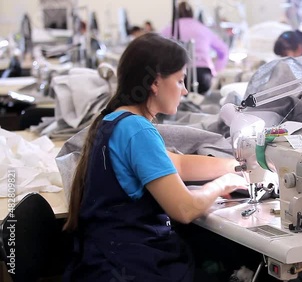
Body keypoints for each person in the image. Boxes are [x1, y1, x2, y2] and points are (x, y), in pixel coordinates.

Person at [62, 33, 248, 282]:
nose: (184, 90)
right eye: (180, 80)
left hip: (109, 260)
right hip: (132, 267)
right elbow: (185, 209)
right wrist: (223, 184)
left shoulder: (114, 120)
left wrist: (238, 166)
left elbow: (178, 163)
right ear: (156, 82)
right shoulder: (138, 131)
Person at [161, 1, 229, 94]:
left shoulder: (169, 29)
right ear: (192, 13)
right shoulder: (203, 28)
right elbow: (224, 50)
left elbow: (157, 52)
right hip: (203, 76)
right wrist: (216, 70)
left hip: (178, 76)